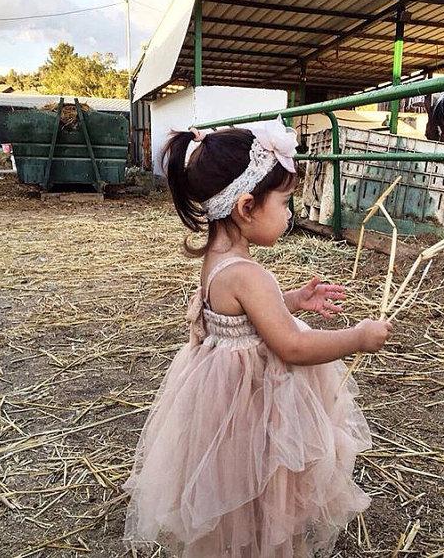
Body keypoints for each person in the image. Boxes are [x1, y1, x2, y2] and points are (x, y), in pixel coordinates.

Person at [122, 116, 393, 557]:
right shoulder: (249, 274)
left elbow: (242, 319)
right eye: (285, 203)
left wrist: (291, 300)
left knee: (233, 479)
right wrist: (358, 337)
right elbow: (293, 346)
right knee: (265, 479)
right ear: (247, 207)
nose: (290, 215)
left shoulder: (218, 260)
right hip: (253, 401)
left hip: (223, 400)